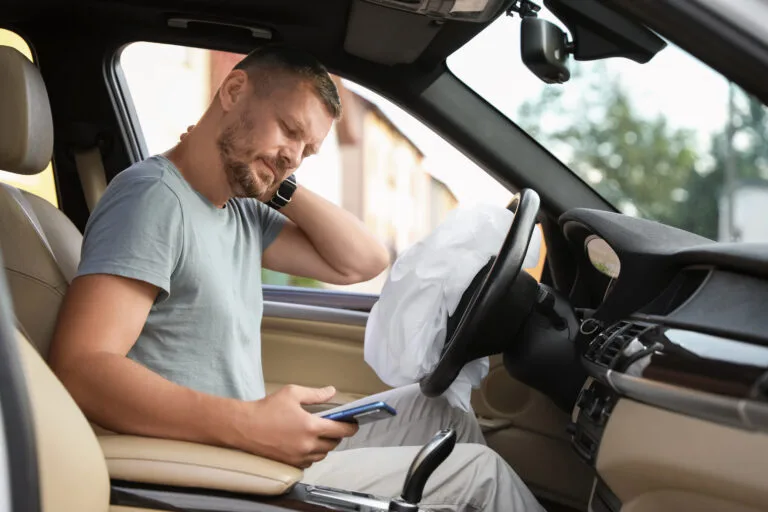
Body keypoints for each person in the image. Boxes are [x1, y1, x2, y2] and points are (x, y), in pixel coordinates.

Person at [49, 45, 544, 511]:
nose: (293, 156)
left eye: (307, 151)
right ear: (233, 90)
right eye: (289, 129)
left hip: (244, 440)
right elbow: (81, 367)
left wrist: (276, 180)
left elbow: (362, 261)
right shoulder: (152, 200)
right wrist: (249, 423)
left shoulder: (238, 211)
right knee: (482, 474)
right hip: (212, 460)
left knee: (439, 411)